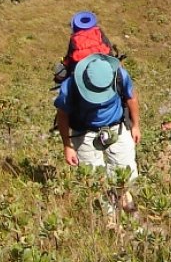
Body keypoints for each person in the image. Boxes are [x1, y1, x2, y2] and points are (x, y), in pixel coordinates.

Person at [54, 53, 142, 210]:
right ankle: (109, 218)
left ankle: (127, 207)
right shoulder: (70, 85)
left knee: (126, 171)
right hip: (85, 132)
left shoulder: (119, 75)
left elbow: (131, 98)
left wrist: (135, 125)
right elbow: (62, 115)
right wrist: (67, 145)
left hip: (117, 126)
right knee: (94, 178)